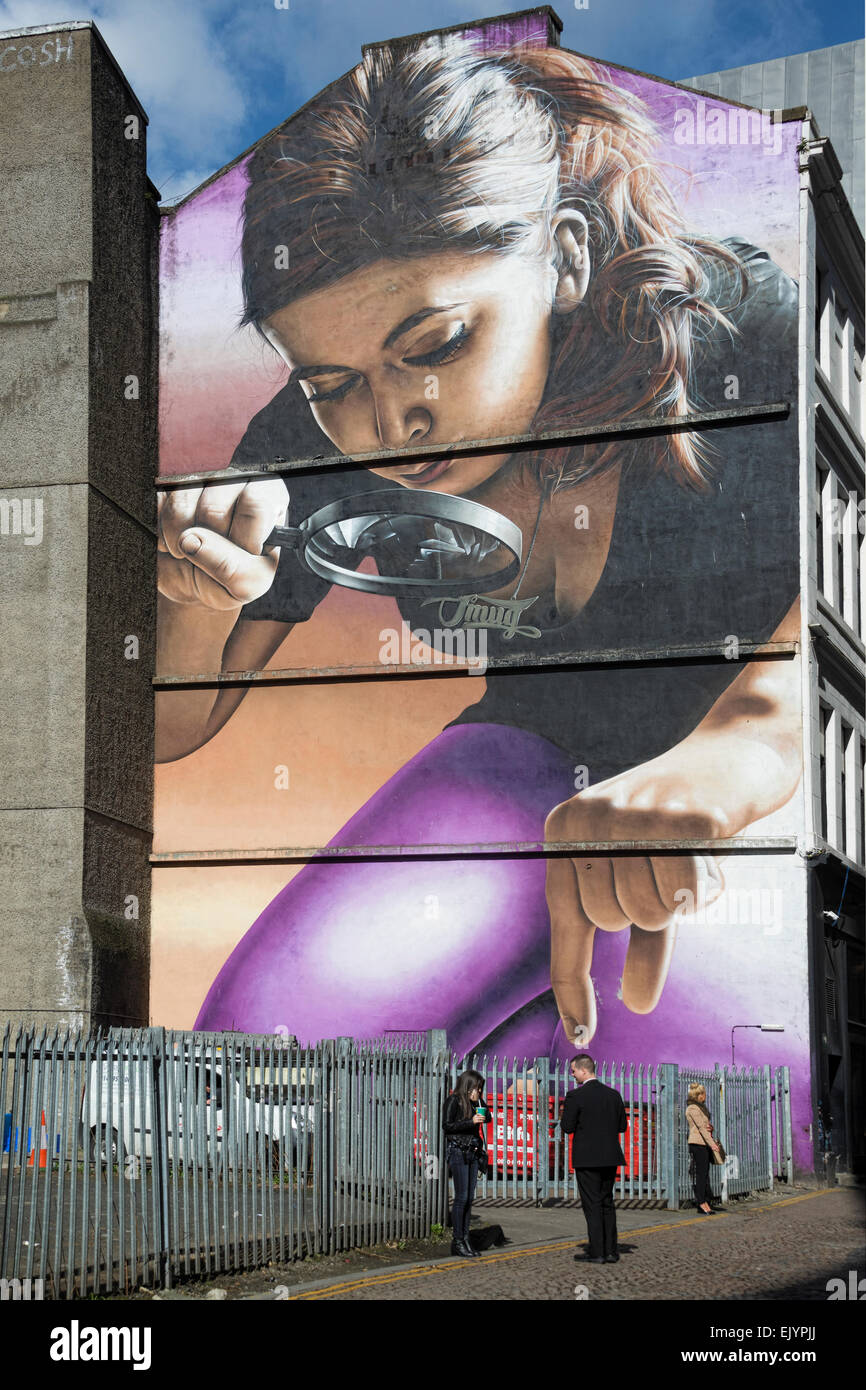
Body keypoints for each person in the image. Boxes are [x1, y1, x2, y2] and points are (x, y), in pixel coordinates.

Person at [155, 36, 802, 1059]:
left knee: (693, 1058)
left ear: (568, 255)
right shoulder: (306, 434)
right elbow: (174, 729)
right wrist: (196, 597)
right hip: (525, 751)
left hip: (760, 775)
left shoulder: (736, 326)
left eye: (437, 345)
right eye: (331, 382)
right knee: (266, 1048)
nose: (387, 422)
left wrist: (749, 741)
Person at [560, 1053, 626, 1263]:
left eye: (573, 1070)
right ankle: (611, 1250)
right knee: (607, 1202)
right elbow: (622, 1126)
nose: (572, 1075)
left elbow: (567, 1127)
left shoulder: (575, 1096)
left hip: (587, 1157)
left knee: (592, 1204)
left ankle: (597, 1251)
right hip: (609, 1156)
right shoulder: (613, 1095)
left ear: (583, 1070)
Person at [442, 1070, 489, 1258]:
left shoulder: (474, 1102)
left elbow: (489, 1117)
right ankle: (458, 1240)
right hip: (458, 1151)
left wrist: (479, 1101)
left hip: (473, 1152)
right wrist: (470, 1122)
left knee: (469, 1198)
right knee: (461, 1197)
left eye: (480, 1088)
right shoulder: (453, 1101)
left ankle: (466, 1237)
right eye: (477, 1087)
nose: (478, 1091)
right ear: (468, 1085)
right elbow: (447, 1126)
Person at [686, 1082, 722, 1214]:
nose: (706, 1095)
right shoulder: (692, 1109)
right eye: (704, 1093)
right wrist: (712, 1144)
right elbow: (700, 1128)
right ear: (699, 1095)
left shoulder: (702, 1108)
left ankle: (705, 1201)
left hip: (704, 1143)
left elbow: (705, 1126)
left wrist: (711, 1128)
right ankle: (701, 1202)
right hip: (697, 1144)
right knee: (701, 1175)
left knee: (705, 1173)